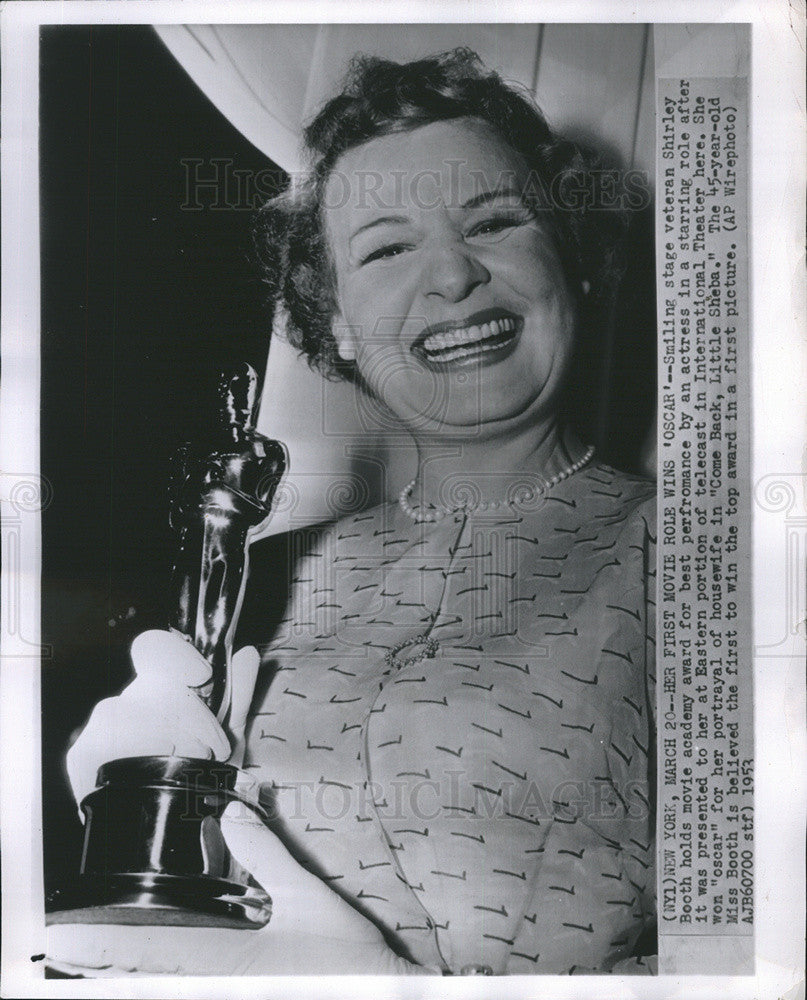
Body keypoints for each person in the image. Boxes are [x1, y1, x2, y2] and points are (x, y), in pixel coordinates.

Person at [50, 48, 656, 977]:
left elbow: (759, 954)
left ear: (572, 256)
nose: (452, 277)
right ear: (333, 321)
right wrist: (127, 803)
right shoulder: (262, 574)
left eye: (493, 221)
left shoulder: (703, 561)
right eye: (385, 247)